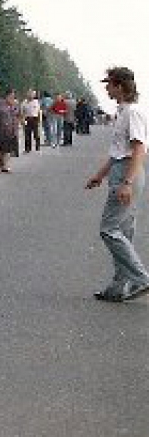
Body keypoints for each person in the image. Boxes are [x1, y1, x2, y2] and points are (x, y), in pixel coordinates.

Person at [84, 67, 149, 303]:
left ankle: (141, 278)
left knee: (109, 229)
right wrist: (100, 175)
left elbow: (138, 149)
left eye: (109, 84)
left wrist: (127, 183)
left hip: (128, 171)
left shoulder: (132, 113)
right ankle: (119, 286)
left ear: (120, 86)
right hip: (123, 169)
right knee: (123, 230)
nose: (106, 88)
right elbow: (117, 152)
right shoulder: (123, 112)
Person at [0, 89, 21, 173]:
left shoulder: (15, 104)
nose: (12, 97)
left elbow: (19, 115)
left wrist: (18, 124)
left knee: (7, 149)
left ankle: (6, 166)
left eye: (13, 96)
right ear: (6, 96)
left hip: (11, 129)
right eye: (11, 96)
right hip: (0, 128)